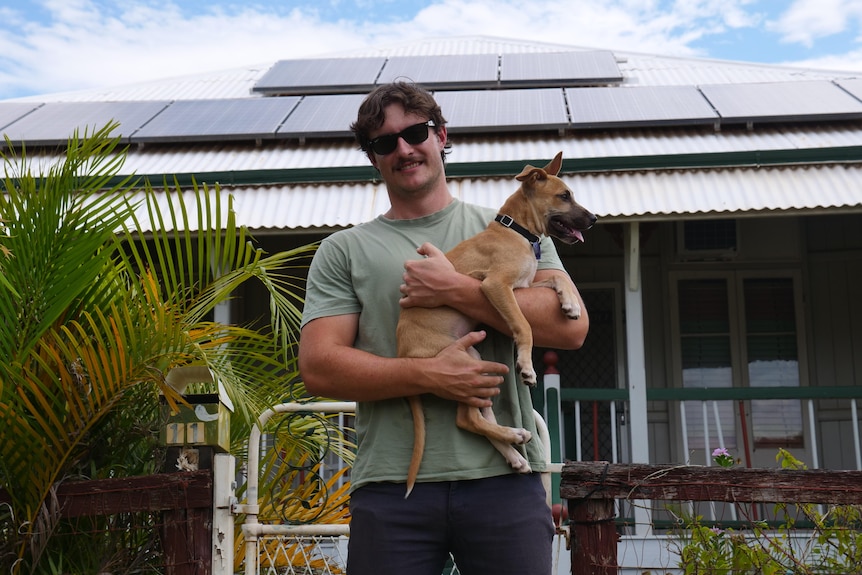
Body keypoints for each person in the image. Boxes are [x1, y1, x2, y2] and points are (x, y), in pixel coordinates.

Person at [298, 81, 589, 575]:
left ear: (441, 135)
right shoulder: (343, 249)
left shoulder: (513, 225)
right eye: (384, 142)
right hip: (393, 485)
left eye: (415, 133)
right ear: (372, 157)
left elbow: (570, 328)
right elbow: (320, 368)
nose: (404, 149)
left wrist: (454, 289)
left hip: (504, 478)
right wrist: (429, 375)